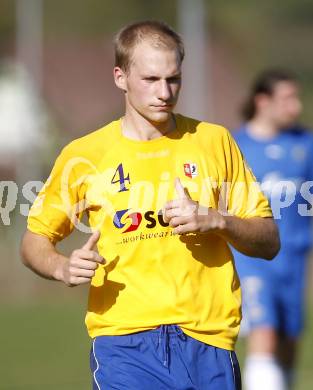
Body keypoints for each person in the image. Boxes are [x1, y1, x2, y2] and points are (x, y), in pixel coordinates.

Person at [20, 21, 280, 390]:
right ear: (120, 77)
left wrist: (218, 220)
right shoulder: (84, 155)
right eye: (151, 79)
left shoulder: (213, 141)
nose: (164, 92)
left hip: (209, 341)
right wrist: (63, 267)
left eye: (173, 79)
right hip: (123, 343)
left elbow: (269, 240)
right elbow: (33, 242)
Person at [232, 69, 313, 390]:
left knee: (288, 348)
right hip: (252, 260)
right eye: (287, 99)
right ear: (262, 101)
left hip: (294, 262)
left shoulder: (305, 144)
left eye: (297, 98)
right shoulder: (235, 146)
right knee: (264, 336)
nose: (295, 106)